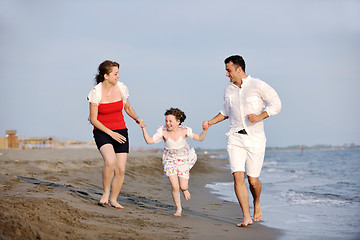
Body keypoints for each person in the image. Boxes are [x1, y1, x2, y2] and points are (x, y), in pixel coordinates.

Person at [202, 55, 281, 227]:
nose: (227, 74)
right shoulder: (228, 90)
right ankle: (246, 216)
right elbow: (225, 111)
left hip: (255, 138)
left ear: (239, 69)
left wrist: (260, 116)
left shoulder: (258, 85)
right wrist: (210, 122)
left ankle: (257, 202)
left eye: (228, 70)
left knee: (253, 181)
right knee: (238, 176)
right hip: (235, 137)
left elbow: (276, 104)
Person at [88, 60, 144, 209]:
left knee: (120, 169)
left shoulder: (122, 88)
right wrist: (111, 133)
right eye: (115, 73)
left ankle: (113, 199)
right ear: (106, 76)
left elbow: (128, 107)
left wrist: (137, 118)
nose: (118, 76)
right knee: (110, 161)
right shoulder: (96, 92)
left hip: (121, 131)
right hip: (102, 131)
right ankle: (105, 193)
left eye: (118, 73)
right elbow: (93, 119)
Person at [140, 108, 208, 217]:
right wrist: (143, 128)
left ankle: (185, 190)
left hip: (183, 160)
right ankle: (178, 209)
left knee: (183, 186)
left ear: (178, 121)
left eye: (170, 121)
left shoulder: (185, 131)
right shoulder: (163, 132)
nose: (168, 123)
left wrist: (205, 130)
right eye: (166, 121)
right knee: (174, 186)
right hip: (169, 161)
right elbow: (149, 141)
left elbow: (200, 138)